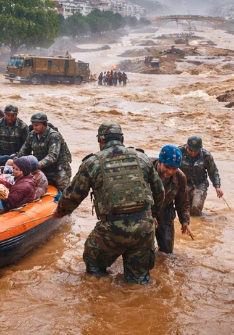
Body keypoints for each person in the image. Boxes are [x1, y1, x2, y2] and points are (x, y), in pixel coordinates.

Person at [54, 122, 165, 284]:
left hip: (112, 229)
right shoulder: (142, 158)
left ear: (101, 141)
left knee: (93, 262)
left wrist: (60, 211)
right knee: (138, 280)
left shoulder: (92, 163)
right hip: (144, 229)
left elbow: (73, 196)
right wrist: (153, 215)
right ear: (122, 139)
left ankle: (101, 296)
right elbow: (159, 191)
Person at [18, 112, 71, 191]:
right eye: (33, 125)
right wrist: (18, 162)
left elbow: (53, 156)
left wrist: (37, 165)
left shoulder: (53, 136)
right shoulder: (32, 135)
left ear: (44, 125)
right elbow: (24, 151)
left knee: (65, 190)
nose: (34, 127)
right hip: (43, 168)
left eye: (37, 125)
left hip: (58, 168)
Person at [152, 145, 190, 254]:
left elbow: (183, 201)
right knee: (145, 251)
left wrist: (185, 221)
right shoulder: (146, 169)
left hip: (165, 212)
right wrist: (149, 213)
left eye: (174, 169)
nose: (170, 172)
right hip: (145, 213)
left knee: (167, 252)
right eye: (167, 167)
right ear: (160, 162)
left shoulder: (180, 177)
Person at [178, 136, 222, 217]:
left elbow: (213, 172)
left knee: (196, 208)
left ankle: (198, 219)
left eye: (196, 151)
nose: (193, 153)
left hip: (200, 183)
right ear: (187, 147)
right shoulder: (179, 152)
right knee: (184, 208)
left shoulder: (206, 156)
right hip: (184, 183)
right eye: (191, 150)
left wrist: (217, 186)